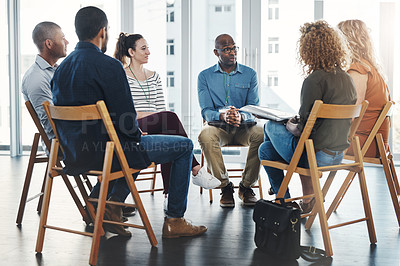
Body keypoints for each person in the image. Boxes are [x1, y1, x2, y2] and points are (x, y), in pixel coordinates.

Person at [51, 6, 207, 238]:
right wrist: (136, 134)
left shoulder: (60, 70)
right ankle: (175, 219)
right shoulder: (109, 66)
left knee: (131, 146)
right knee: (182, 147)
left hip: (76, 153)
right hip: (110, 153)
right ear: (102, 32)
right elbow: (126, 118)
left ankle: (107, 206)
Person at [258, 20, 357, 213]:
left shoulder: (314, 80)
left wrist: (290, 125)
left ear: (307, 50)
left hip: (315, 157)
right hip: (337, 155)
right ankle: (284, 202)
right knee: (265, 150)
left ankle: (285, 204)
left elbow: (302, 129)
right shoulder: (348, 79)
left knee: (269, 126)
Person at [113, 32, 220, 193]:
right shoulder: (121, 75)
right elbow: (127, 112)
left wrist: (152, 116)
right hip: (135, 126)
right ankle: (196, 169)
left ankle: (169, 195)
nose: (148, 52)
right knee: (169, 119)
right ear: (131, 52)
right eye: (143, 48)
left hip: (155, 124)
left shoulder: (154, 77)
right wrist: (148, 116)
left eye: (148, 48)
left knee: (170, 133)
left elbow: (160, 109)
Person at [197, 33, 264, 208]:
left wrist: (241, 116)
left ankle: (246, 186)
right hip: (218, 127)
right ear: (216, 52)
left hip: (244, 127)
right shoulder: (204, 76)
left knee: (262, 133)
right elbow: (206, 111)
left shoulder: (250, 74)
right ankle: (225, 186)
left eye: (234, 48)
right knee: (205, 135)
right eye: (226, 49)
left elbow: (254, 107)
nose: (232, 52)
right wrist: (223, 115)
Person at [337, 19, 391, 158]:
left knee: (306, 142)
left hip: (361, 144)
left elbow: (352, 114)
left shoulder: (358, 70)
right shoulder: (372, 69)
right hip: (374, 143)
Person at [21, 21, 69, 145]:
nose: (67, 42)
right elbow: (50, 124)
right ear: (49, 44)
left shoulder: (57, 70)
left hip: (70, 136)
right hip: (61, 143)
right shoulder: (36, 78)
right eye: (63, 38)